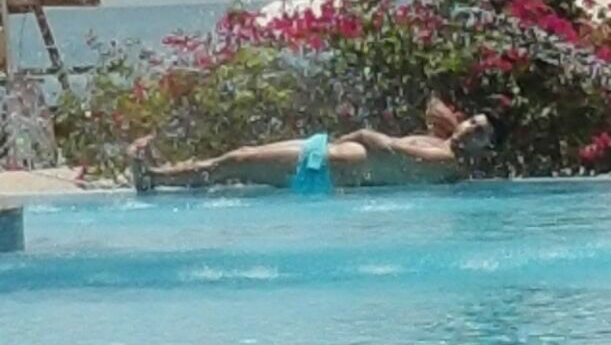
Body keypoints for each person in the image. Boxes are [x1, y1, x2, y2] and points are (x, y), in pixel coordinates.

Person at [129, 98, 507, 193]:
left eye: (479, 134)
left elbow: (387, 149)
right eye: (472, 122)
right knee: (236, 160)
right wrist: (450, 125)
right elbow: (431, 105)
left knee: (236, 162)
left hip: (320, 167)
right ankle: (163, 173)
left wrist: (360, 134)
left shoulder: (445, 161)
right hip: (321, 155)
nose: (469, 130)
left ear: (485, 150)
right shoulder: (444, 145)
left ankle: (155, 178)